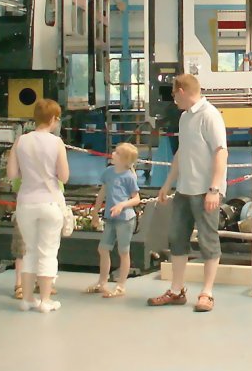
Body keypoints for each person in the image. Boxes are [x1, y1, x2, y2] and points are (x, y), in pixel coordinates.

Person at [147, 74, 227, 313]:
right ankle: (176, 290)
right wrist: (168, 184)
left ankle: (207, 293)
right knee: (177, 239)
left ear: (181, 90)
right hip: (184, 190)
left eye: (173, 94)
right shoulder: (185, 118)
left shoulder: (210, 116)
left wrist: (214, 189)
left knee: (208, 242)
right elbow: (182, 153)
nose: (173, 99)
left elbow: (221, 153)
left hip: (205, 191)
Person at [6, 99, 70, 314]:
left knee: (29, 251)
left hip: (26, 202)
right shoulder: (56, 143)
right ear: (53, 119)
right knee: (49, 252)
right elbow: (64, 176)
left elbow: (12, 174)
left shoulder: (21, 141)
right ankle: (45, 300)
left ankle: (26, 299)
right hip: (50, 202)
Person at [85, 142, 141, 298]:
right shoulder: (108, 172)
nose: (113, 154)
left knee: (123, 251)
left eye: (117, 153)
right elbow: (103, 192)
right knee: (103, 248)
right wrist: (95, 212)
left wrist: (122, 205)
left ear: (124, 160)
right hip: (110, 218)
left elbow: (136, 199)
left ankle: (121, 285)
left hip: (125, 219)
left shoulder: (129, 177)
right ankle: (102, 282)